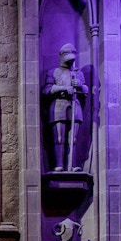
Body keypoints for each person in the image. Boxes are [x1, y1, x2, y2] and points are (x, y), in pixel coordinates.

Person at [42, 43, 89, 172]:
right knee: (59, 137)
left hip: (74, 105)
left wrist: (79, 85)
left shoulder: (77, 73)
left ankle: (72, 164)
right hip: (59, 105)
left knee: (73, 138)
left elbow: (86, 90)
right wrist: (63, 88)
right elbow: (46, 89)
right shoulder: (54, 72)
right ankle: (59, 164)